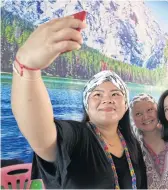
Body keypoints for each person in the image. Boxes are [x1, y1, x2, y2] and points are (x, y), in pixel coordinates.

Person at [11, 16, 147, 189]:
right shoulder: (75, 138)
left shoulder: (132, 144)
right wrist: (27, 67)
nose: (107, 99)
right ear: (87, 106)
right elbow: (40, 134)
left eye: (115, 93)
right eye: (97, 94)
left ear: (126, 104)